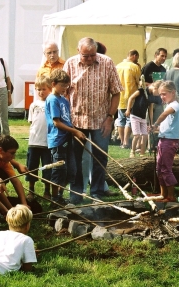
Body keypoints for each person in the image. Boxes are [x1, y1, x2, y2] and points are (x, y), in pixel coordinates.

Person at [63, 37, 123, 202]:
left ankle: (96, 192)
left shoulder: (107, 63)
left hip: (101, 120)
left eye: (92, 55)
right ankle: (76, 193)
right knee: (75, 158)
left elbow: (116, 92)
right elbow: (64, 92)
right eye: (85, 56)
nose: (89, 59)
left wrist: (110, 117)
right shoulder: (70, 63)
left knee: (100, 157)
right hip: (77, 121)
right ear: (78, 51)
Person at [45, 69, 86, 206]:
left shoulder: (64, 100)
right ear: (53, 83)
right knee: (58, 170)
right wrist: (74, 131)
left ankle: (61, 196)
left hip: (67, 139)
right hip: (58, 140)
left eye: (66, 86)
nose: (65, 88)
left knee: (70, 170)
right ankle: (55, 198)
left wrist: (75, 131)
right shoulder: (52, 99)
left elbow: (67, 119)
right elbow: (56, 122)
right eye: (62, 85)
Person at [149, 81, 179, 201]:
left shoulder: (175, 105)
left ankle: (171, 196)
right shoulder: (168, 104)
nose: (162, 97)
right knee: (159, 168)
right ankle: (163, 194)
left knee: (166, 169)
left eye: (164, 94)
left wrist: (155, 123)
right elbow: (166, 125)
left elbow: (164, 115)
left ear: (172, 93)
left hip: (170, 141)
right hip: (163, 140)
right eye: (160, 95)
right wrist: (155, 128)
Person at [25, 75, 53, 201]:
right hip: (34, 142)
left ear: (50, 89)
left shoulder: (52, 102)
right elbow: (32, 122)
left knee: (47, 168)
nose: (41, 92)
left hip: (48, 143)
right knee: (32, 167)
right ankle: (31, 190)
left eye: (44, 89)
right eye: (38, 89)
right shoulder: (34, 105)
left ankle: (47, 191)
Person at [126, 80, 162, 158]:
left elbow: (150, 109)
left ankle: (142, 153)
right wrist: (128, 109)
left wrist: (151, 122)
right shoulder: (142, 90)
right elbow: (131, 98)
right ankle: (132, 152)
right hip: (135, 115)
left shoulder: (151, 96)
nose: (159, 95)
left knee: (145, 135)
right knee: (137, 135)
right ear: (155, 88)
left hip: (143, 118)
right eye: (159, 92)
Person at [116, 49, 140, 149]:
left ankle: (122, 142)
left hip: (119, 98)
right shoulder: (134, 67)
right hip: (132, 97)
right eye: (137, 58)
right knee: (129, 120)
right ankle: (126, 142)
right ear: (134, 56)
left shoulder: (117, 66)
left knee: (121, 120)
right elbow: (139, 82)